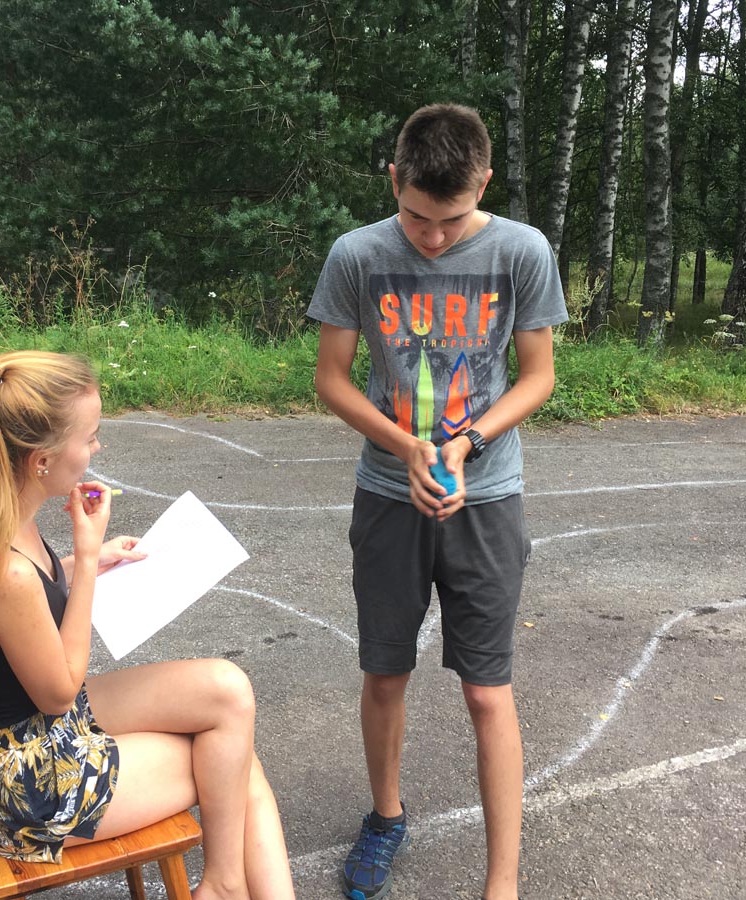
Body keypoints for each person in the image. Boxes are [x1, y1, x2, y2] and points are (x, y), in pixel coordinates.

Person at [307, 104, 568, 900]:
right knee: (385, 673)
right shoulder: (357, 254)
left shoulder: (522, 251)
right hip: (389, 494)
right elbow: (331, 380)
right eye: (416, 217)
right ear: (395, 179)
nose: (430, 237)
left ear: (483, 183)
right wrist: (406, 447)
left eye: (449, 221)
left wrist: (466, 444)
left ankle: (502, 881)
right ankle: (386, 817)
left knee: (487, 690)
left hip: (487, 497)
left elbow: (538, 377)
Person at [0, 350, 295, 900]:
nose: (97, 449)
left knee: (228, 693)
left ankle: (225, 884)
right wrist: (85, 551)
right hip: (30, 779)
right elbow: (59, 691)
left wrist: (86, 564)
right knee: (233, 765)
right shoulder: (7, 570)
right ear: (41, 460)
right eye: (90, 437)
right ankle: (223, 886)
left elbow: (7, 609)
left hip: (21, 729)